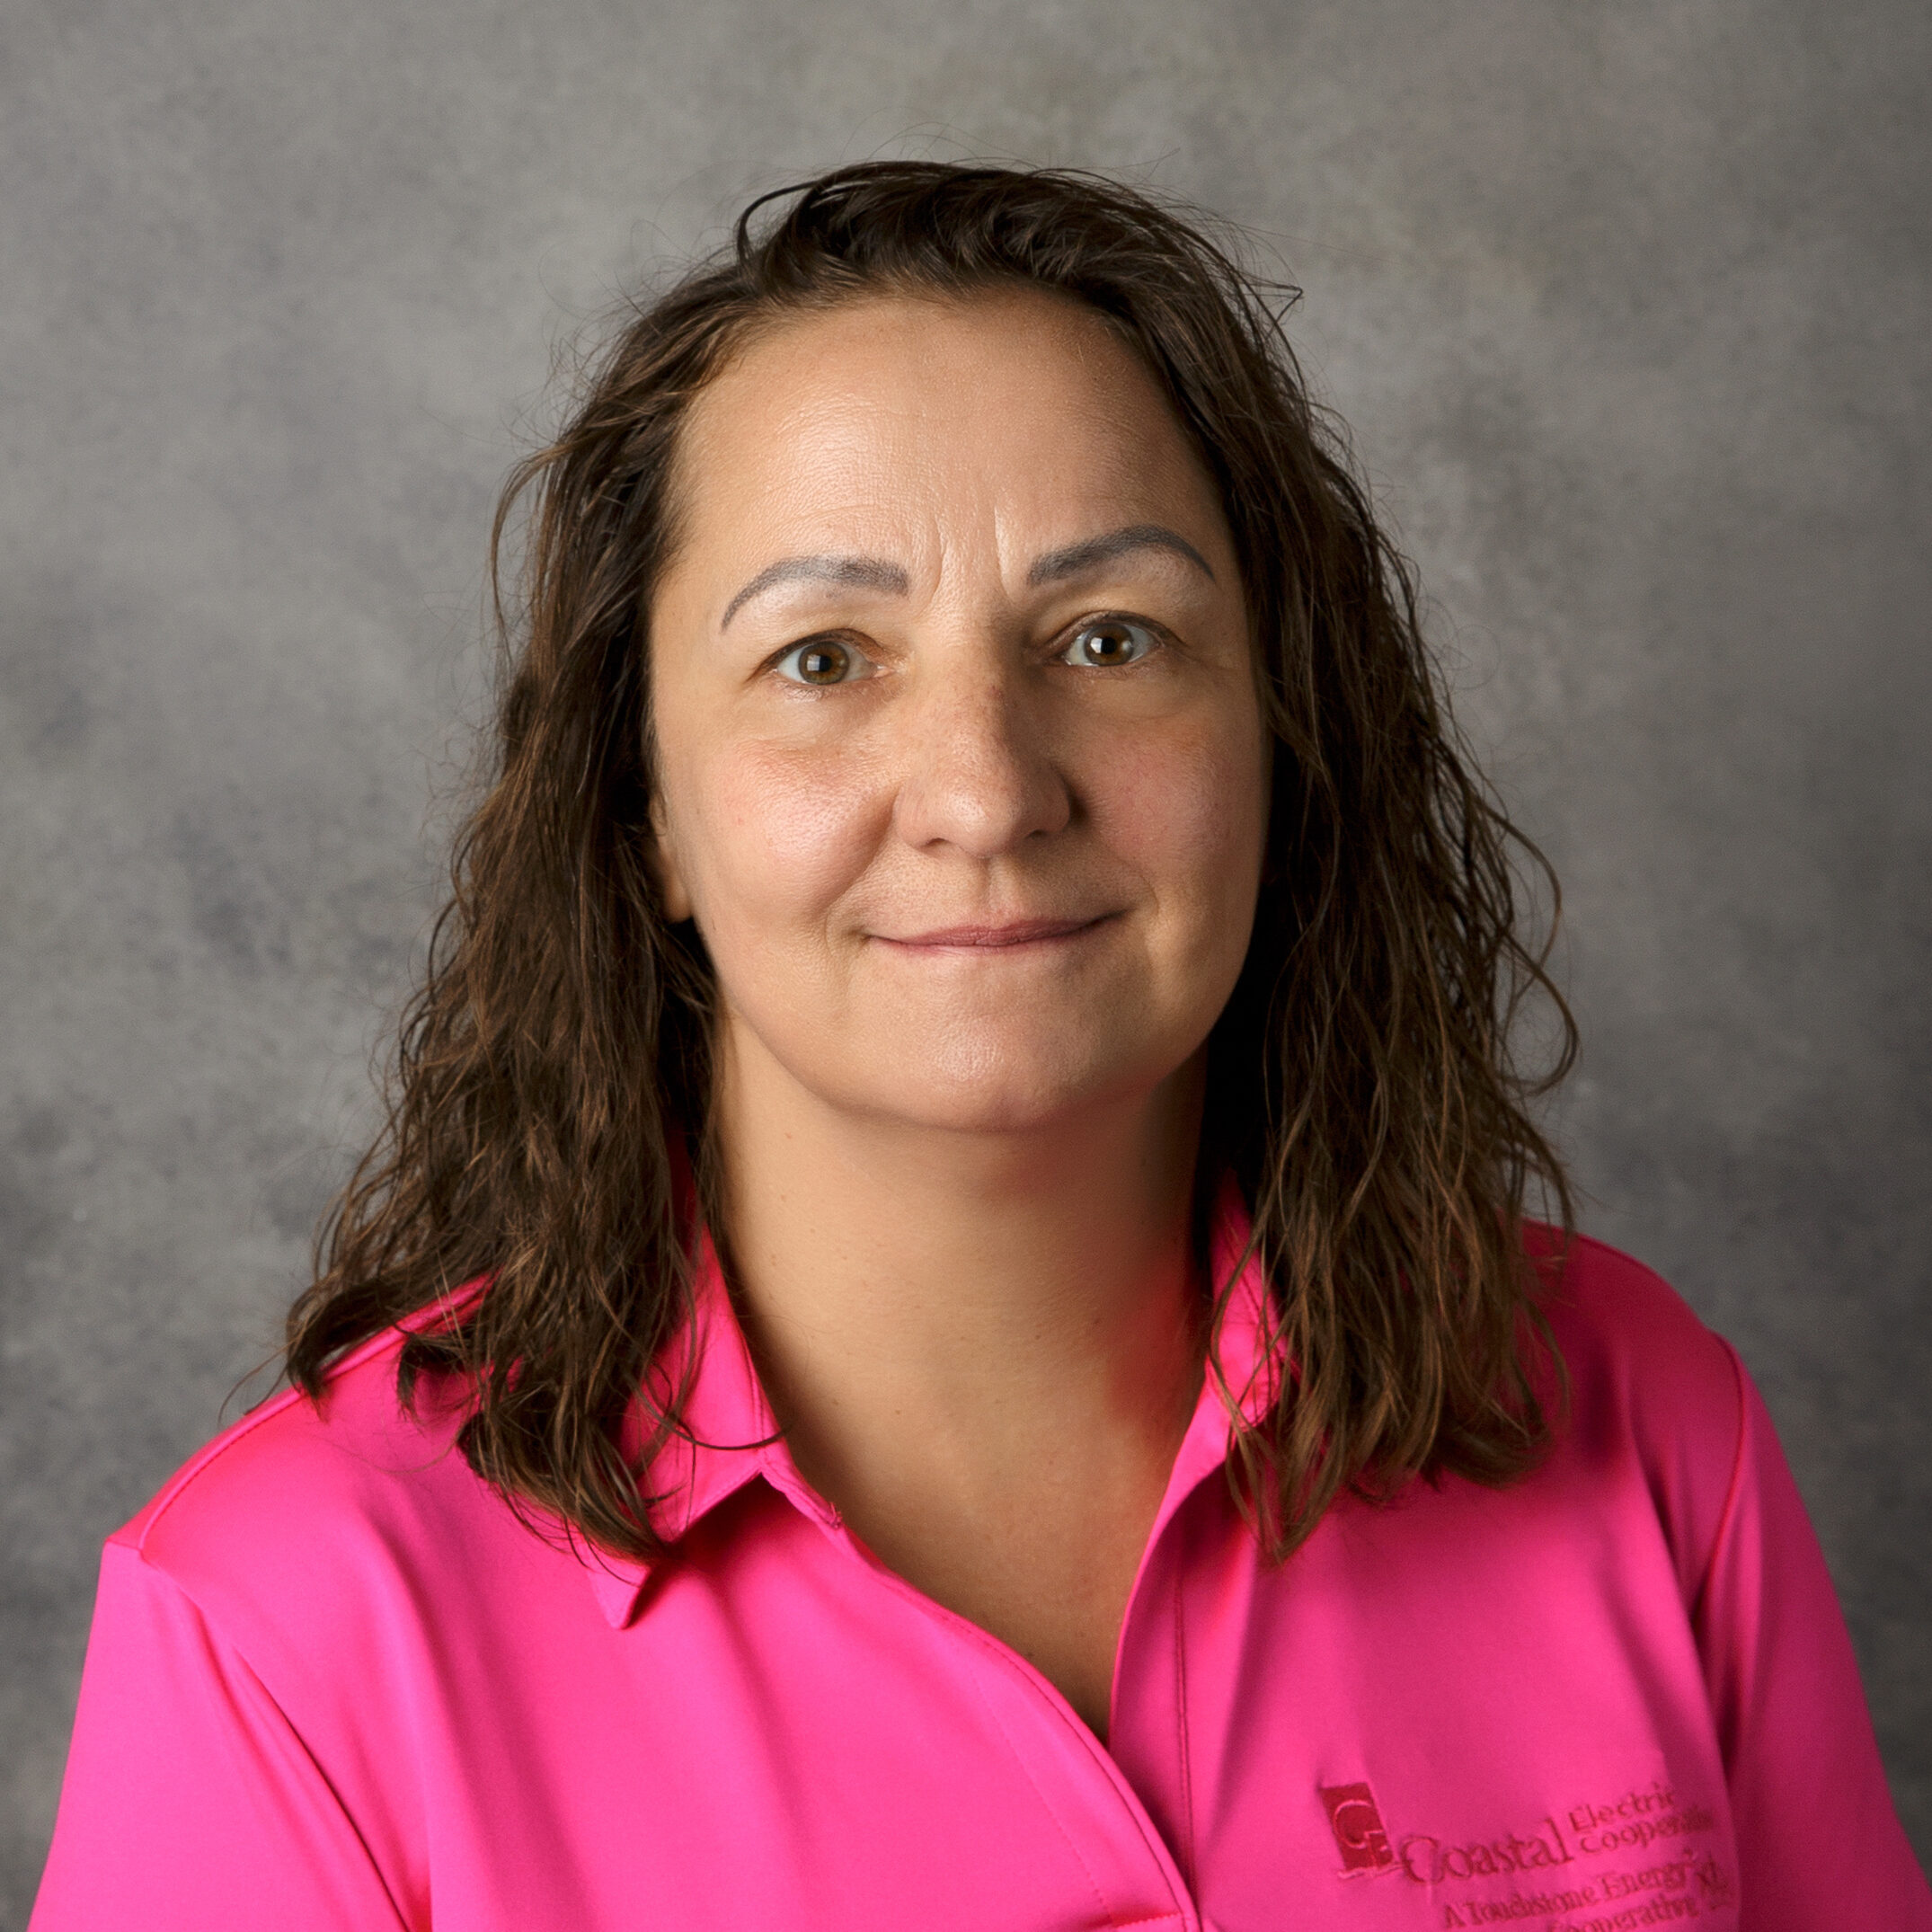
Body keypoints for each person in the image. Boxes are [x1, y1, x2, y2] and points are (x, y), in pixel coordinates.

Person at [31, 162, 1928, 1931]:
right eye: (823, 659)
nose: (985, 790)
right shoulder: (281, 1628)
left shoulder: (1636, 1421)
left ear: (1282, 736)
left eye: (1110, 639)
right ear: (645, 817)